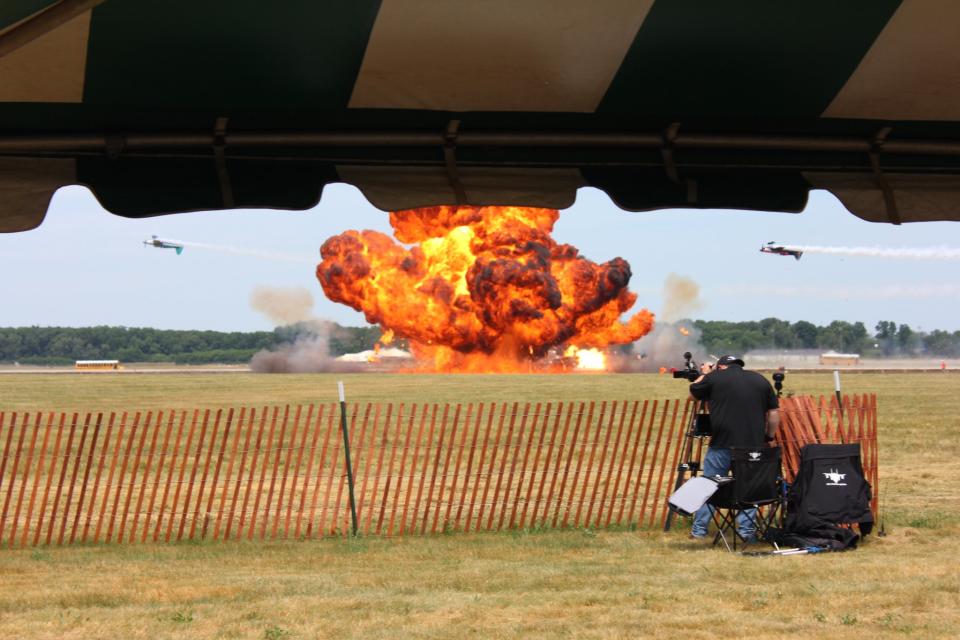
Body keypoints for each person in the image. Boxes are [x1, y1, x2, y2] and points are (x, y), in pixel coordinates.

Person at [688, 354, 780, 541]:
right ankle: (746, 532)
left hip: (722, 444)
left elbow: (692, 395)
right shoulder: (760, 380)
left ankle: (699, 530)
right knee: (749, 489)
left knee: (709, 486)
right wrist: (769, 436)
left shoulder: (714, 377)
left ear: (720, 367)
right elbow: (773, 413)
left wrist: (705, 373)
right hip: (752, 447)